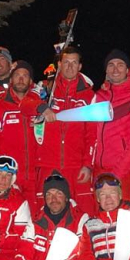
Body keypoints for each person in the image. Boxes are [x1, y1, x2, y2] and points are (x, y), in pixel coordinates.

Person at [33, 45, 96, 214]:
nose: (69, 66)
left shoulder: (89, 96)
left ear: (80, 66)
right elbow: (25, 103)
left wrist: (88, 165)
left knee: (83, 211)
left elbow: (92, 134)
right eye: (66, 62)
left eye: (74, 63)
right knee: (45, 211)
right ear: (59, 64)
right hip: (48, 163)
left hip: (76, 165)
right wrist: (41, 107)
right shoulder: (46, 88)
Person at [25, 172, 90, 260]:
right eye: (49, 194)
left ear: (67, 196)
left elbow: (81, 255)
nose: (53, 199)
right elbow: (22, 251)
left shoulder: (80, 218)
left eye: (58, 193)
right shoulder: (36, 220)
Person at [91, 49, 130, 198]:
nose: (115, 69)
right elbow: (91, 132)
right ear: (106, 70)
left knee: (120, 214)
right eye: (111, 65)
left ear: (128, 70)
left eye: (120, 65)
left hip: (122, 169)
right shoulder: (99, 96)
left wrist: (119, 172)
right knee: (100, 217)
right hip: (98, 168)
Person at [0, 60, 43, 215]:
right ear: (11, 80)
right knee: (9, 215)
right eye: (17, 75)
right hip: (9, 174)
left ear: (31, 81)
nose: (21, 79)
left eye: (25, 75)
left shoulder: (41, 106)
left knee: (35, 216)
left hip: (35, 174)